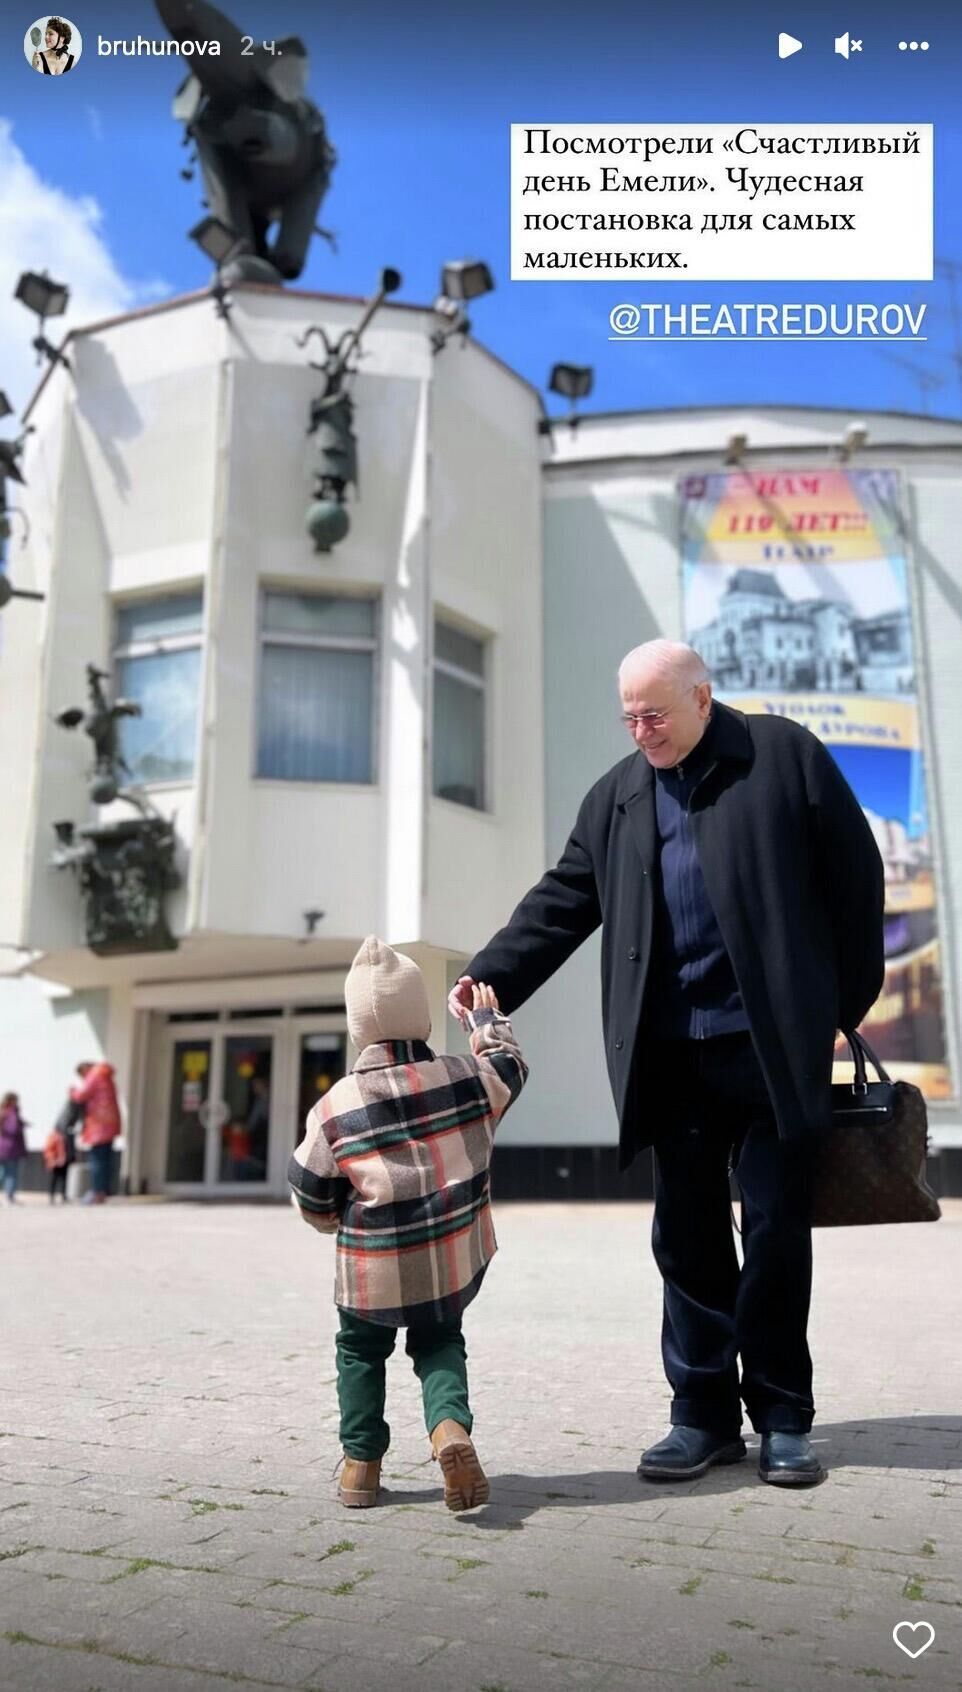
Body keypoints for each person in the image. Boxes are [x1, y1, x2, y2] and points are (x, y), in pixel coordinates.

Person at [449, 640, 885, 1489]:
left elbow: (855, 880)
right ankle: (703, 1416)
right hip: (670, 1056)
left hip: (768, 1050)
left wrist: (835, 1011)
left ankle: (785, 1418)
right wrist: (491, 974)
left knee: (774, 1233)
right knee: (684, 1241)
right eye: (629, 718)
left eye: (654, 714)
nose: (641, 731)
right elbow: (564, 901)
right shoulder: (617, 797)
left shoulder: (782, 755)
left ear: (701, 697)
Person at [289, 936, 527, 1511]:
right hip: (446, 1258)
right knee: (440, 1341)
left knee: (359, 1353)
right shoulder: (462, 1078)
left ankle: (360, 1468)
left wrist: (334, 1223)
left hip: (371, 1269)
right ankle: (449, 1429)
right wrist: (485, 1020)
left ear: (355, 1027)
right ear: (420, 1016)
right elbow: (509, 1068)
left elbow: (310, 1191)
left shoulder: (336, 1105)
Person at [71, 1061, 121, 1204]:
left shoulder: (95, 1075)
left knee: (97, 1161)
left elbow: (81, 1095)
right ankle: (103, 1191)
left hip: (98, 1125)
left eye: (82, 1076)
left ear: (85, 1069)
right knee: (105, 1160)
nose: (83, 1079)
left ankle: (97, 1192)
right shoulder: (106, 1076)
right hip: (110, 1123)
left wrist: (72, 1091)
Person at [43, 1098, 79, 1203]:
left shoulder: (68, 1136)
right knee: (54, 1179)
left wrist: (71, 1157)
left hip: (64, 1160)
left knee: (64, 1178)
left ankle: (63, 1195)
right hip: (55, 1161)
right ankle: (51, 1195)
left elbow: (69, 1148)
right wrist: (51, 1159)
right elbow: (49, 1149)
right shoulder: (54, 1136)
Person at [0, 1094, 28, 1205]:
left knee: (3, 1173)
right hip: (11, 1148)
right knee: (11, 1173)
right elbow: (13, 1129)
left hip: (2, 1147)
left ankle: (8, 1196)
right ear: (12, 1101)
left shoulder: (3, 1112)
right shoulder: (12, 1113)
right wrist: (21, 1125)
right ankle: (9, 1197)